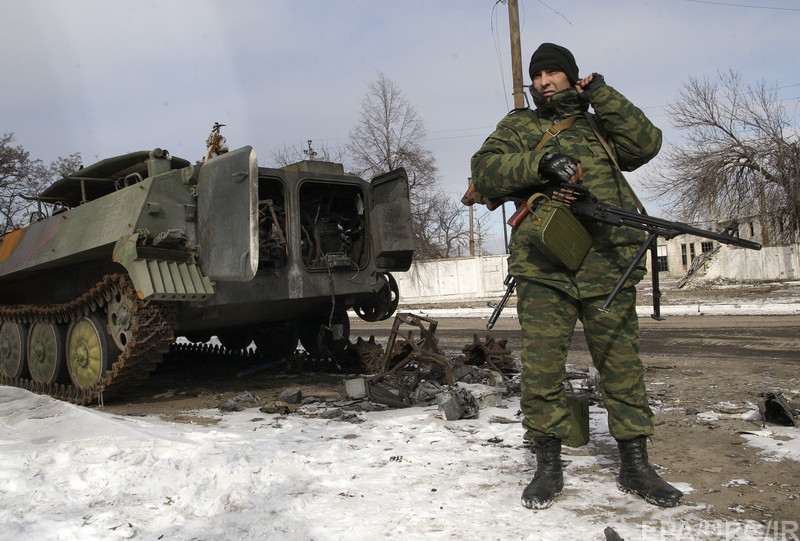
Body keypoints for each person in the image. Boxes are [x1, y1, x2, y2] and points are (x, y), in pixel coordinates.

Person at [470, 43, 683, 510]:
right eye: (538, 74)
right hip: (545, 267)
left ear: (571, 75)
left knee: (622, 368)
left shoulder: (596, 120)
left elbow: (645, 144)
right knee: (543, 370)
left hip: (608, 262)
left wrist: (603, 96)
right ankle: (547, 465)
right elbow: (483, 171)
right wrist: (538, 164)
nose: (545, 81)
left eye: (553, 72)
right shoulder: (521, 126)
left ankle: (635, 464)